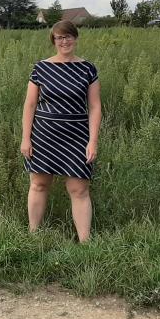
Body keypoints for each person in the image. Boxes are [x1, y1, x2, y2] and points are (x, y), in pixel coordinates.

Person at [21, 20, 102, 242]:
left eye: (68, 36)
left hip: (77, 137)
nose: (64, 41)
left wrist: (92, 141)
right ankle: (33, 236)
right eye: (59, 37)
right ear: (53, 41)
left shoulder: (88, 68)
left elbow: (95, 107)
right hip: (44, 136)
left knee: (79, 190)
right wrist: (26, 138)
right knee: (39, 185)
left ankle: (85, 243)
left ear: (75, 38)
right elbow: (29, 105)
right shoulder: (41, 68)